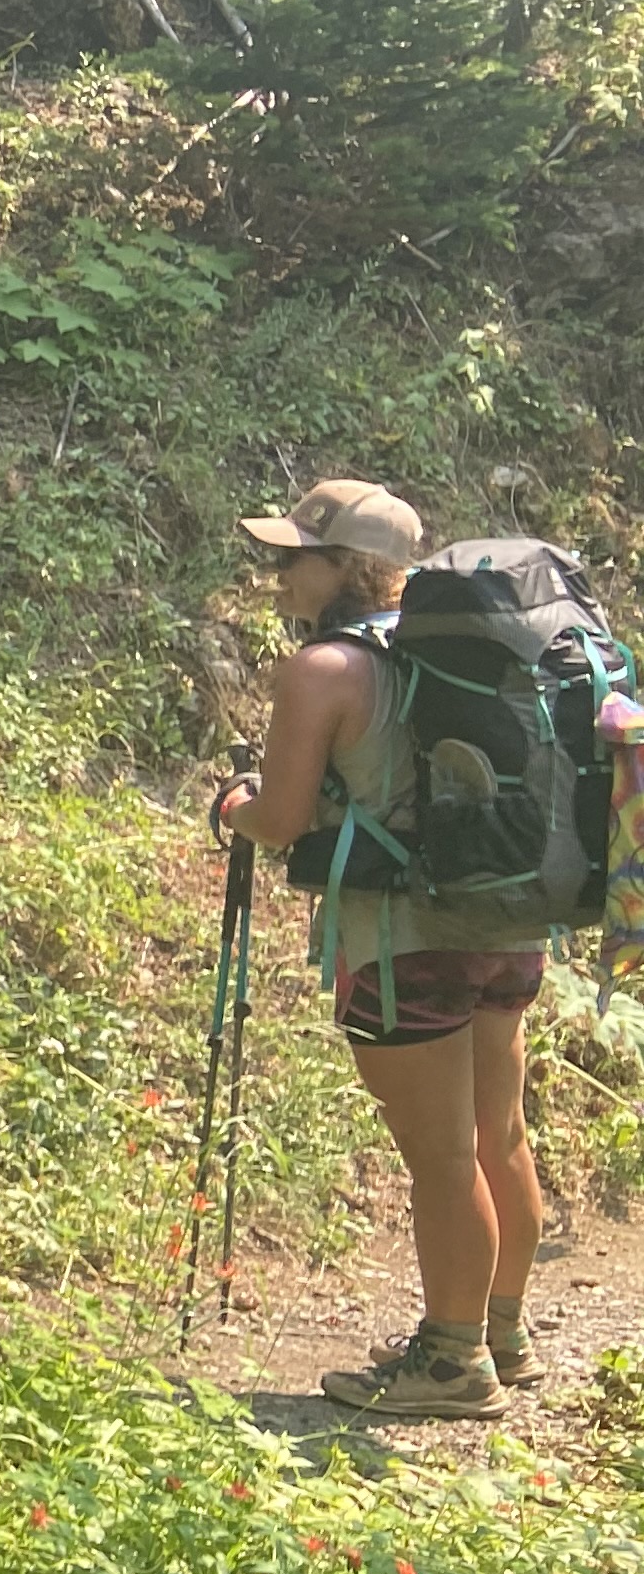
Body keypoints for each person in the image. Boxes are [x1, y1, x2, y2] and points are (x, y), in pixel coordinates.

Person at [220, 477, 544, 1419]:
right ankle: (502, 1331)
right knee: (500, 1132)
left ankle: (451, 1363)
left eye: (294, 557)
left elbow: (280, 819)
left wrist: (231, 807)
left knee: (440, 1155)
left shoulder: (324, 669)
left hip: (406, 939)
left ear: (346, 567)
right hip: (508, 919)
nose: (279, 572)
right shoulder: (463, 652)